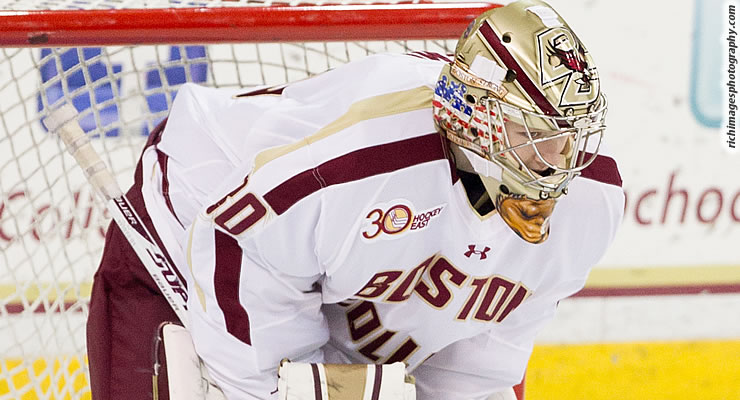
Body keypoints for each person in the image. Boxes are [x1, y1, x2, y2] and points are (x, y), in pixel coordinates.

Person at [85, 0, 624, 399]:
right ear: (478, 115)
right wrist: (262, 390)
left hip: (315, 281)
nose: (560, 162)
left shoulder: (591, 204)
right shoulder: (366, 162)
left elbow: (478, 370)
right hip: (190, 223)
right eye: (536, 134)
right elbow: (235, 230)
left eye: (572, 136)